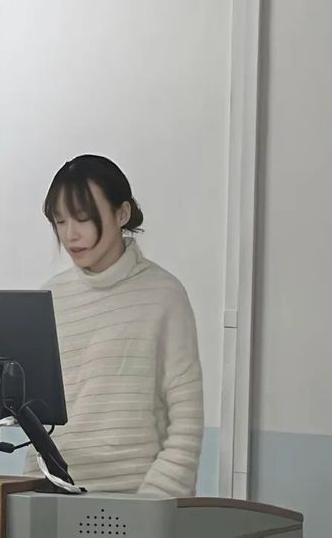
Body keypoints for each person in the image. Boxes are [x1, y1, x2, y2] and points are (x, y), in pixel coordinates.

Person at [26, 154, 203, 496]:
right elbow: (37, 422)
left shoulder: (162, 295)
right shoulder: (49, 298)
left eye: (83, 218)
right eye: (60, 221)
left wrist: (153, 503)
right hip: (55, 501)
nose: (70, 235)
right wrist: (32, 493)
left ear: (122, 214)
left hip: (136, 500)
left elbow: (186, 422)